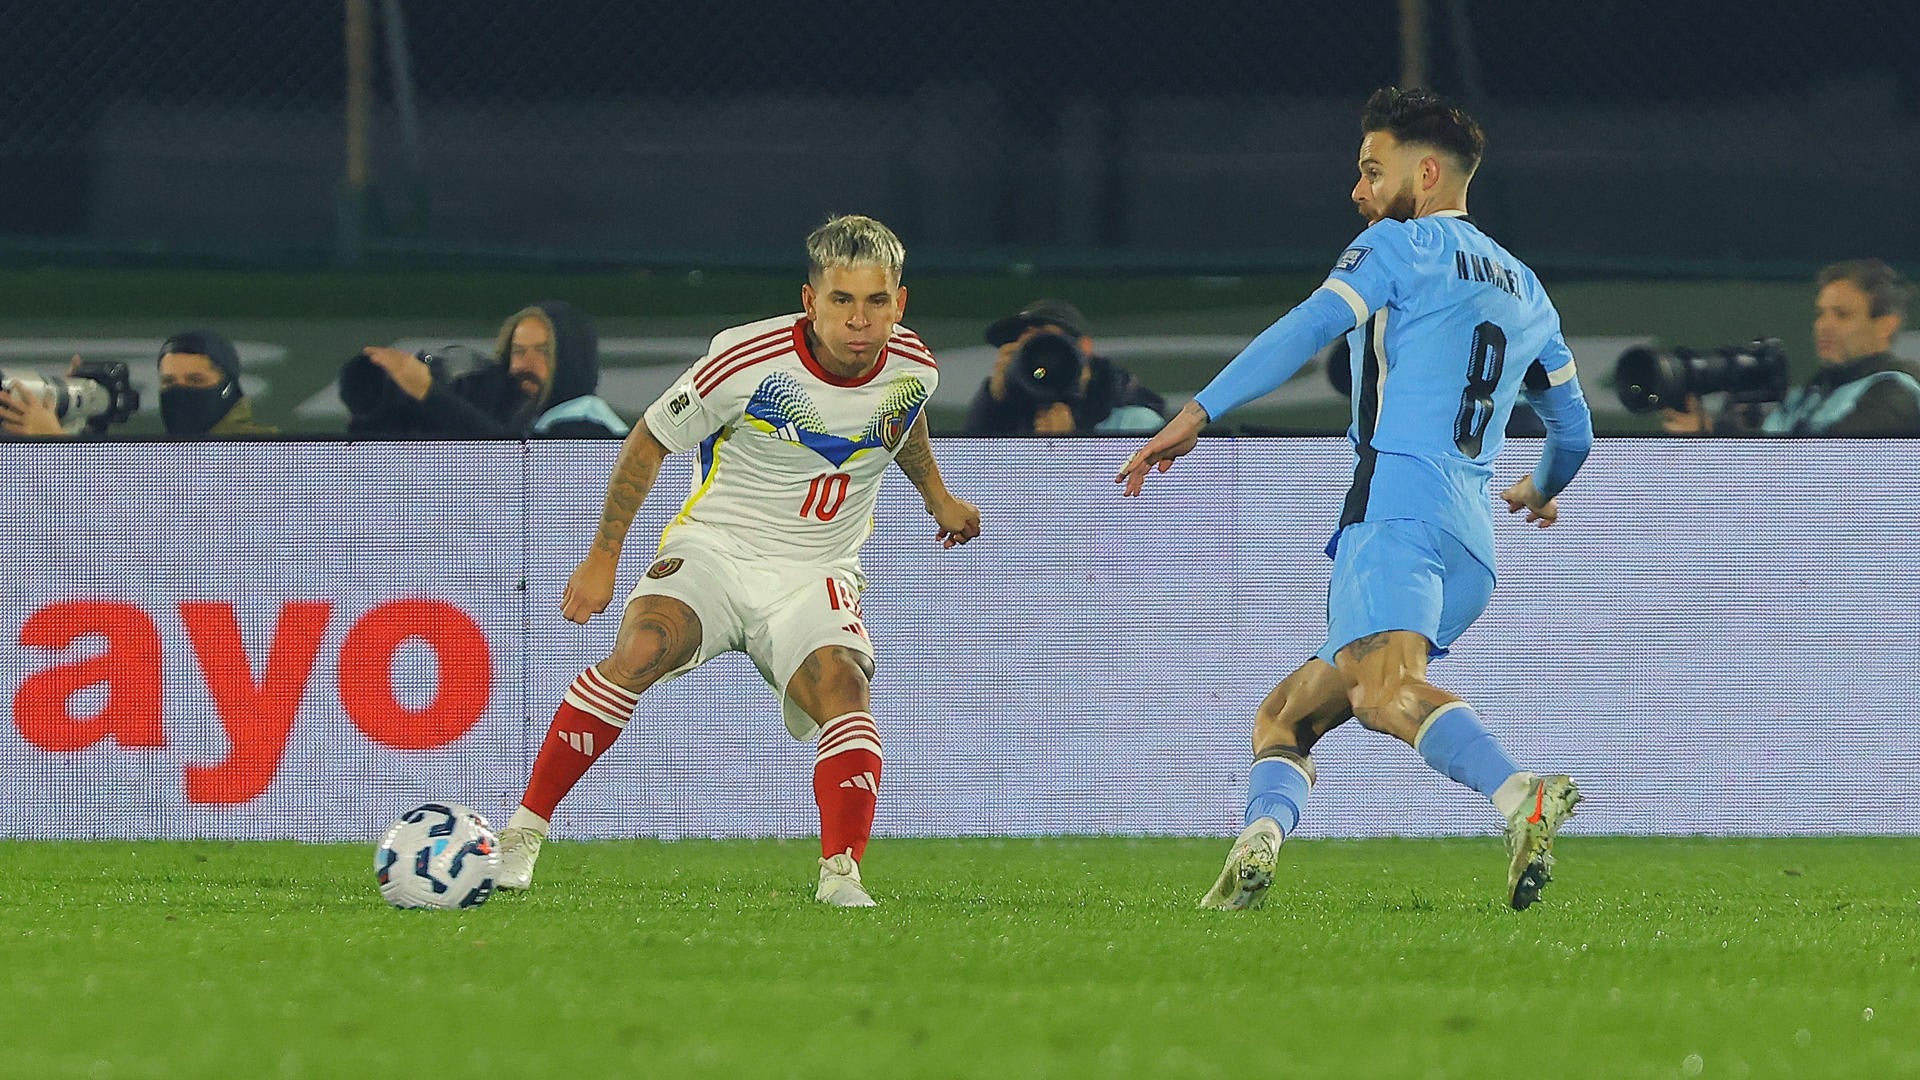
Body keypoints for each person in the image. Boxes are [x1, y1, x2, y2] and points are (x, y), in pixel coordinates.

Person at [1116, 87, 1595, 912]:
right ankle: (1254, 855)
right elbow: (1575, 430)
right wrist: (1540, 488)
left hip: (1396, 512)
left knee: (1381, 695)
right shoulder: (1528, 289)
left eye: (1374, 172)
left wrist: (1195, 413)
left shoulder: (1401, 247)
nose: (1361, 191)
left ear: (1429, 172)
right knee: (1287, 715)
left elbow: (1308, 328)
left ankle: (1522, 797)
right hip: (1470, 542)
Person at [494, 215, 981, 906]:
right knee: (640, 648)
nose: (860, 321)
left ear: (899, 303)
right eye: (841, 301)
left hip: (817, 571)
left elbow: (902, 419)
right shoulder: (745, 360)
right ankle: (522, 837)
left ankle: (840, 875)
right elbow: (651, 438)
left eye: (876, 302)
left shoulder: (915, 367)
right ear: (810, 301)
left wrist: (938, 498)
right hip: (716, 552)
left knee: (845, 691)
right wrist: (604, 557)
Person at [1662, 259, 1920, 436]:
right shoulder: (1815, 391)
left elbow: (1821, 474)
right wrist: (1706, 431)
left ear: (1885, 325)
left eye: (1841, 315)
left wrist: (1728, 442)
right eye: (1821, 313)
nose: (1823, 325)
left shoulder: (1896, 394)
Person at [344, 299, 627, 437]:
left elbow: (516, 467)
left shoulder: (588, 425)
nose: (525, 364)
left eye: (543, 352)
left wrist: (430, 394)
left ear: (571, 360)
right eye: (518, 351)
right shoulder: (521, 414)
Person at [0, 329, 276, 438]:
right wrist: (82, 428)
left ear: (229, 387)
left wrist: (54, 444)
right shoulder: (175, 452)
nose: (179, 392)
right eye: (169, 382)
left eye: (196, 380)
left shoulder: (259, 450)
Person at [964, 299, 1167, 435]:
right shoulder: (1009, 417)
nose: (1034, 353)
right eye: (1022, 344)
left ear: (1084, 347)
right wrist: (993, 404)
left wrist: (1069, 445)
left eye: (1044, 340)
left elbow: (1142, 495)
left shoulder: (1133, 423)